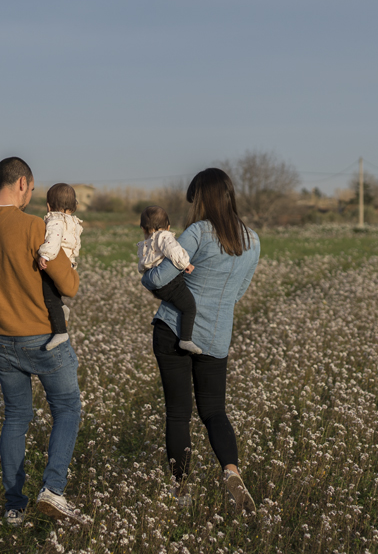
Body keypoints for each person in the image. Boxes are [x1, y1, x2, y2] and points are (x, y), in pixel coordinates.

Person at [0, 157, 90, 527]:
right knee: (67, 408)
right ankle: (53, 490)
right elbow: (70, 286)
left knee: (16, 417)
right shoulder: (35, 227)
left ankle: (14, 507)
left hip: (0, 339)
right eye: (31, 189)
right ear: (21, 183)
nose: (31, 195)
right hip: (44, 337)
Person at [141, 168, 260, 515]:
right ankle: (231, 471)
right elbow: (238, 294)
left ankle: (181, 493)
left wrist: (147, 273)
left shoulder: (198, 232)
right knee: (214, 412)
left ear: (202, 198)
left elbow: (159, 277)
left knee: (178, 414)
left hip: (174, 330)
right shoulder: (252, 239)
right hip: (217, 337)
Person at [136, 205, 201, 354]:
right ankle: (186, 340)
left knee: (178, 303)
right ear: (168, 226)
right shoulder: (165, 236)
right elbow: (175, 252)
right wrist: (186, 264)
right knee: (189, 307)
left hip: (155, 286)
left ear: (143, 229)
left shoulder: (147, 243)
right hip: (170, 284)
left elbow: (143, 265)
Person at [36, 183, 84, 351]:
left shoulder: (55, 220)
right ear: (74, 206)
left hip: (56, 261)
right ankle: (62, 307)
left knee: (48, 296)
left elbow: (54, 239)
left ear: (49, 206)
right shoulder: (74, 222)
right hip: (69, 263)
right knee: (53, 293)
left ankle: (60, 331)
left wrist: (45, 255)